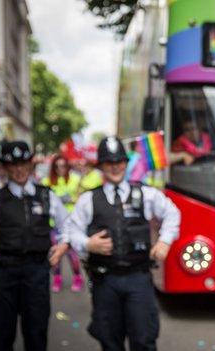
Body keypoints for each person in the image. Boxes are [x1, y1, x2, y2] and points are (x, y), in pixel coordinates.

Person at [64, 136, 181, 350]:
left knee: (144, 340)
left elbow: (172, 213)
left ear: (126, 164)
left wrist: (164, 241)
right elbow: (72, 230)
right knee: (110, 342)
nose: (115, 167)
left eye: (119, 162)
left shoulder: (145, 193)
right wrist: (88, 244)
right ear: (101, 166)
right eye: (109, 163)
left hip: (139, 278)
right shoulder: (89, 199)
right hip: (106, 280)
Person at [0, 140, 70, 351]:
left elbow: (68, 225)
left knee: (36, 334)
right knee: (1, 336)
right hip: (2, 274)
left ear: (31, 165)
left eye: (24, 164)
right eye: (13, 165)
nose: (19, 170)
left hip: (36, 274)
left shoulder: (46, 195)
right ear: (5, 168)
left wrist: (64, 244)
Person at [42, 155, 84, 292]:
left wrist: (70, 199)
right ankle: (57, 278)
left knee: (72, 254)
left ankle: (78, 277)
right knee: (56, 252)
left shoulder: (75, 179)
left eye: (63, 165)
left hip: (71, 223)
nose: (60, 169)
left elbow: (80, 199)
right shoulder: (46, 181)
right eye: (57, 166)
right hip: (53, 224)